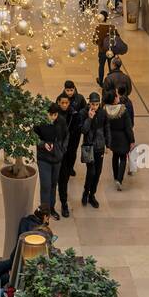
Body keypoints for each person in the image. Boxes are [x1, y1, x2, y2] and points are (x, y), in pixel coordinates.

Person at [56, 81, 86, 218]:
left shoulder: (74, 113)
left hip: (69, 147)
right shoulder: (56, 115)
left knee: (64, 179)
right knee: (57, 179)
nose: (64, 105)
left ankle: (63, 203)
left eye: (66, 103)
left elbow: (81, 122)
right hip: (58, 151)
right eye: (62, 102)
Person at [34, 101, 68, 216]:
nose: (53, 117)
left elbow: (66, 136)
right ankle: (44, 212)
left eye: (55, 115)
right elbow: (34, 137)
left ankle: (52, 208)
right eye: (51, 115)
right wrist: (43, 144)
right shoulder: (39, 122)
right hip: (43, 158)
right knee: (45, 185)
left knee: (54, 184)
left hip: (57, 158)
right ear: (46, 113)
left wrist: (62, 149)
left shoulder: (61, 121)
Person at [79, 93, 106, 208]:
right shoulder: (83, 113)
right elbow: (83, 130)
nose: (94, 107)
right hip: (88, 147)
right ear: (89, 103)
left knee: (98, 173)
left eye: (97, 104)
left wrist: (108, 144)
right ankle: (85, 193)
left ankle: (92, 195)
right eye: (92, 104)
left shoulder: (103, 113)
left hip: (99, 147)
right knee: (91, 172)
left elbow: (107, 128)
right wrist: (89, 118)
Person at [104, 90, 134, 191]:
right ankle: (120, 180)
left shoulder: (105, 110)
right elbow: (128, 127)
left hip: (112, 136)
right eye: (117, 97)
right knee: (123, 158)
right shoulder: (123, 110)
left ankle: (115, 176)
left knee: (115, 156)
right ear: (114, 99)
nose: (118, 98)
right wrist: (132, 140)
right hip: (122, 137)